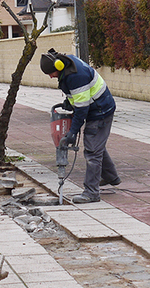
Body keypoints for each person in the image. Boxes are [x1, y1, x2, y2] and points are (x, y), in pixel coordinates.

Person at [41, 48, 119, 203]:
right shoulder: (67, 65)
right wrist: (69, 102)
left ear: (58, 66)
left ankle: (91, 192)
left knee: (92, 151)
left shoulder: (76, 76)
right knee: (97, 145)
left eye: (50, 73)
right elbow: (78, 96)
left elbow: (82, 110)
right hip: (97, 107)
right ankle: (111, 176)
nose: (50, 77)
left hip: (100, 111)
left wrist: (72, 132)